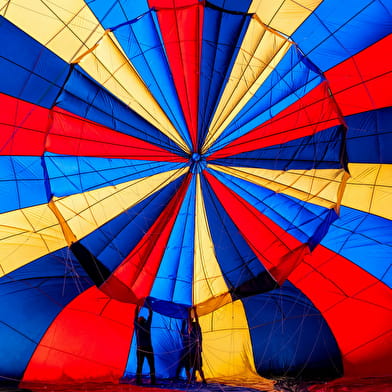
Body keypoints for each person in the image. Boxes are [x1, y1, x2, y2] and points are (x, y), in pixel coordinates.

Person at [134, 303, 156, 385]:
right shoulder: (147, 325)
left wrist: (137, 304)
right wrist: (149, 306)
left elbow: (136, 314)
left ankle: (138, 380)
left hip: (140, 348)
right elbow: (150, 315)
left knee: (140, 365)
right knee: (151, 365)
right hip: (148, 348)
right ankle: (153, 381)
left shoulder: (137, 326)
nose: (141, 317)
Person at [189, 307, 207, 384]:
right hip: (194, 350)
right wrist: (192, 311)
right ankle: (198, 380)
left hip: (195, 350)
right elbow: (191, 320)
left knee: (196, 367)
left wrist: (190, 311)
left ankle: (201, 380)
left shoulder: (195, 327)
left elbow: (193, 320)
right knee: (195, 367)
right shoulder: (195, 327)